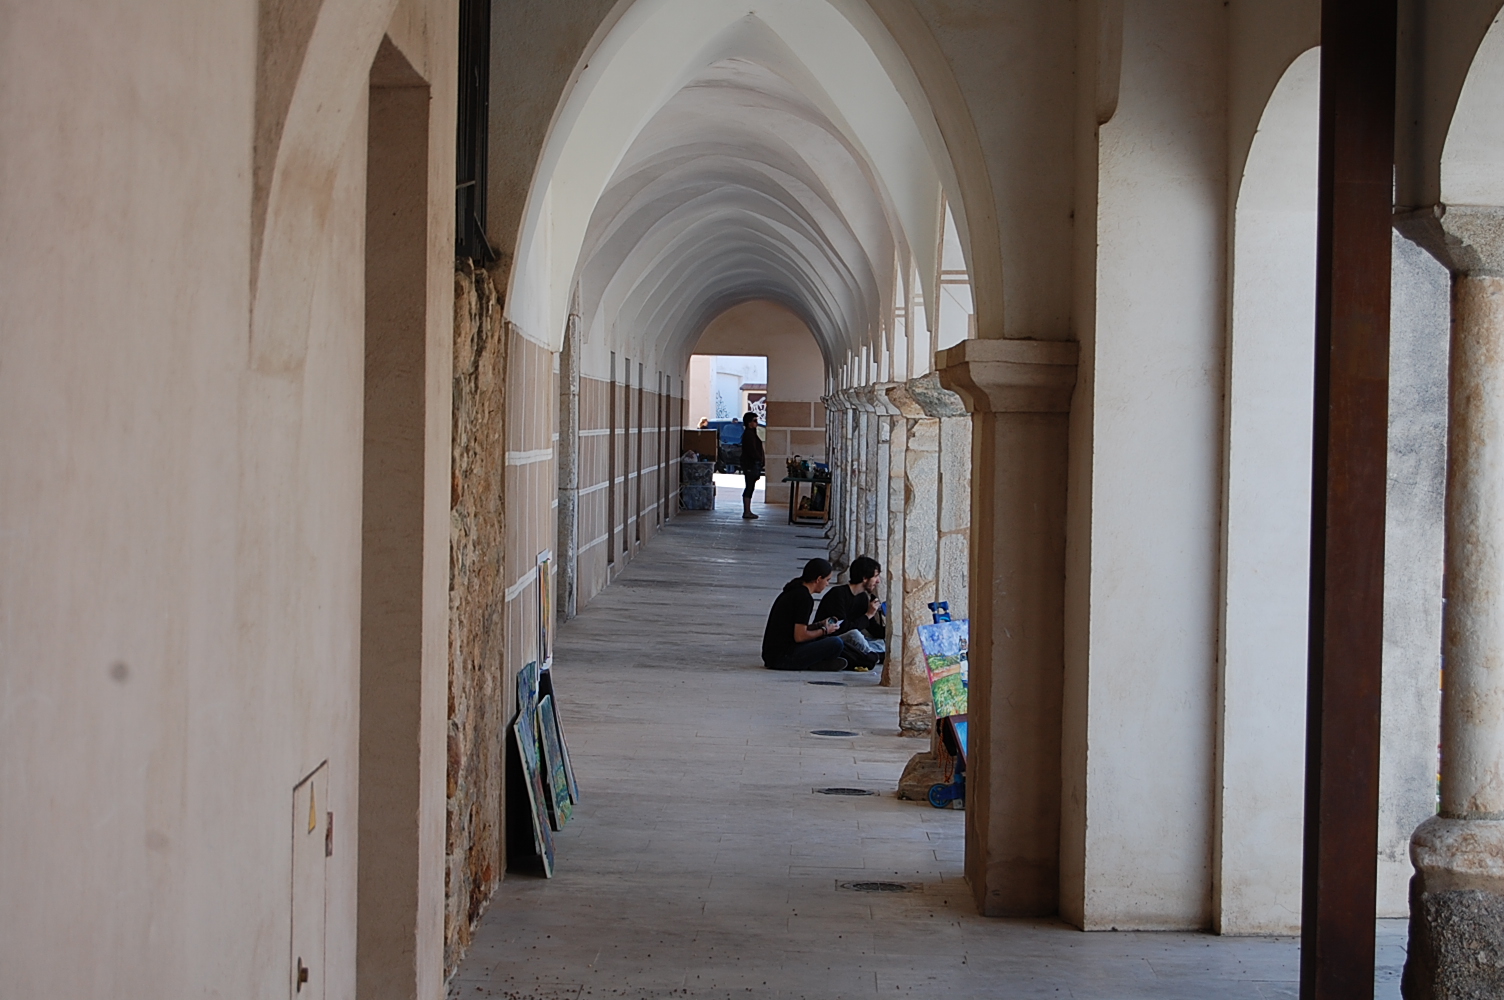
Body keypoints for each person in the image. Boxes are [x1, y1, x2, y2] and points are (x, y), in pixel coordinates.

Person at [761, 558, 849, 671]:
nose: (827, 584)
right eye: (827, 580)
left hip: (772, 655)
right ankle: (813, 663)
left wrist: (819, 625)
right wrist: (824, 630)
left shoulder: (795, 590)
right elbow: (800, 636)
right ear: (818, 579)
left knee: (823, 640)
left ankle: (816, 663)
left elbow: (794, 628)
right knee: (836, 643)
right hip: (782, 657)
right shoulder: (804, 598)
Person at [816, 555, 886, 668]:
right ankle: (874, 657)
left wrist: (892, 631)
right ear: (864, 578)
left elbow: (873, 629)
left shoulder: (862, 597)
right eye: (875, 576)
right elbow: (843, 628)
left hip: (851, 642)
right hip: (832, 640)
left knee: (881, 643)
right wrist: (868, 615)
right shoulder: (838, 594)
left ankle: (873, 655)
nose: (878, 581)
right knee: (855, 635)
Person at [739, 410, 765, 520]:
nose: (756, 423)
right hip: (750, 464)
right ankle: (747, 511)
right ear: (749, 423)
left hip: (752, 464)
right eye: (754, 421)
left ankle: (748, 510)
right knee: (749, 486)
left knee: (750, 486)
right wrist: (758, 458)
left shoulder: (751, 434)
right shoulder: (749, 435)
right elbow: (752, 450)